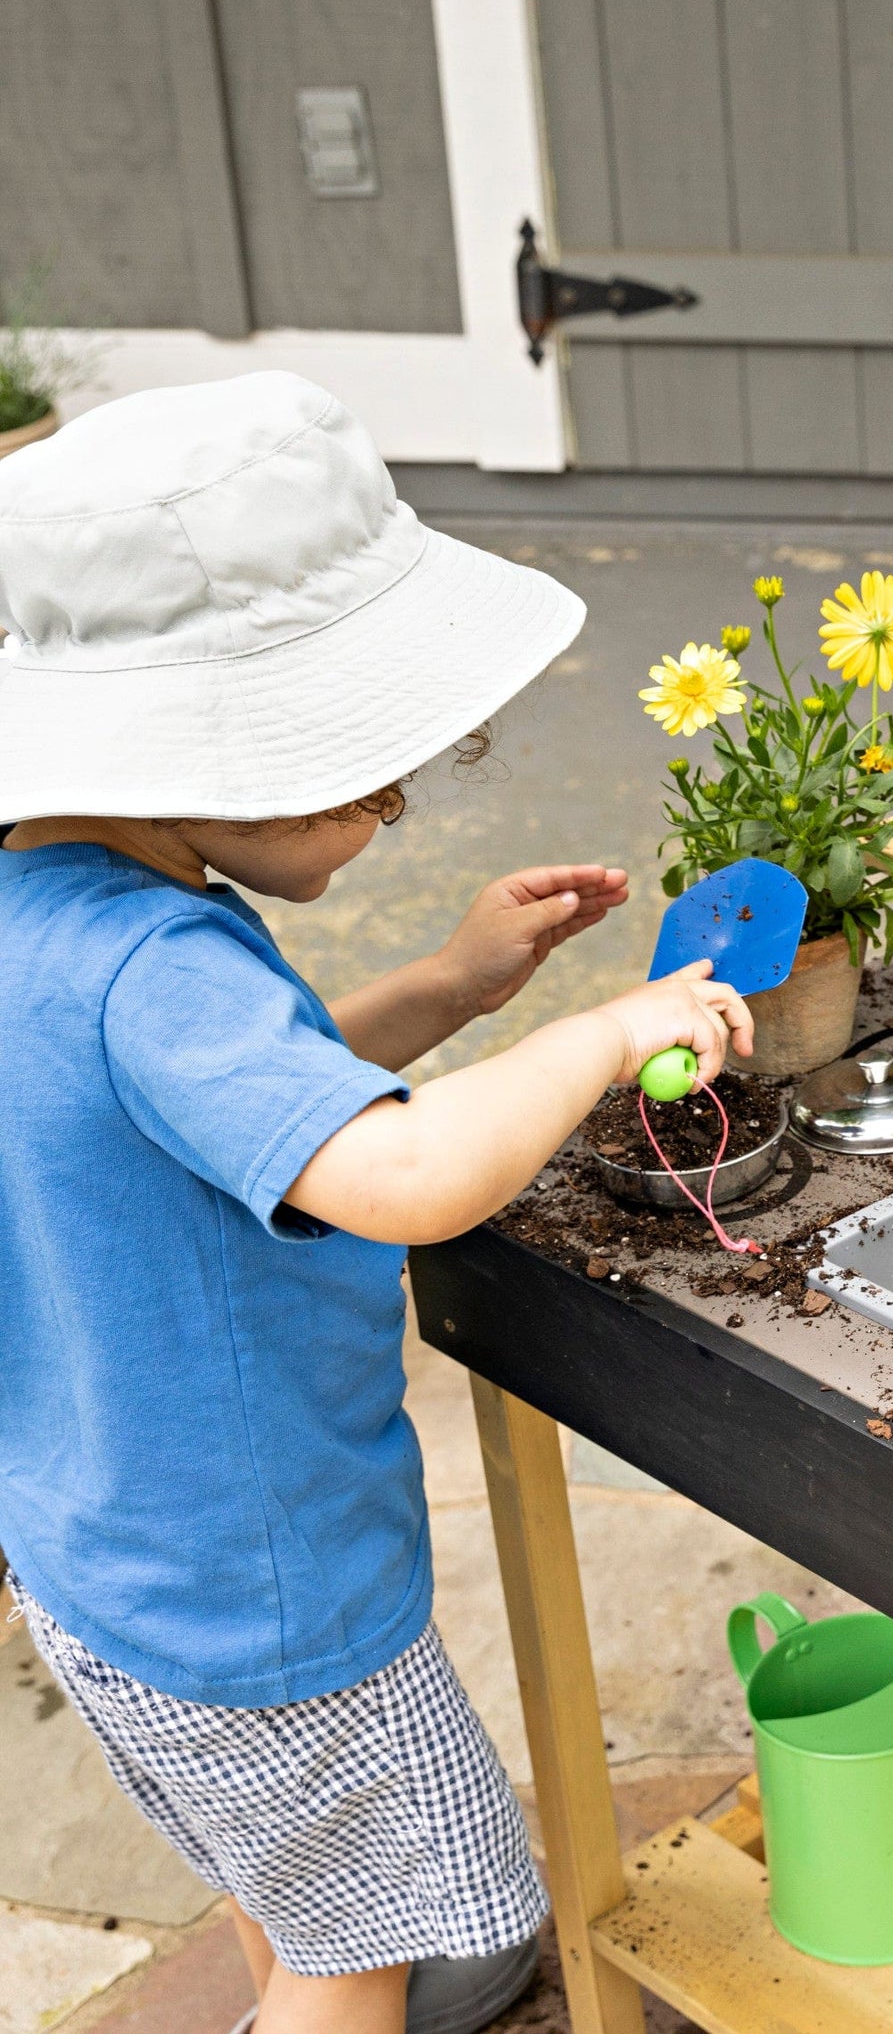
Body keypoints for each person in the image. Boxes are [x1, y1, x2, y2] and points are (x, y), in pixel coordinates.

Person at [0, 373, 753, 2034]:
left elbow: (242, 1117)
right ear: (206, 747)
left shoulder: (48, 917)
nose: (400, 808)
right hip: (257, 1593)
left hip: (103, 1563)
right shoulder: (154, 964)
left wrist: (443, 987)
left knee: (301, 1894)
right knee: (360, 1965)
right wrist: (603, 1032)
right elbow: (400, 1175)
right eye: (365, 774)